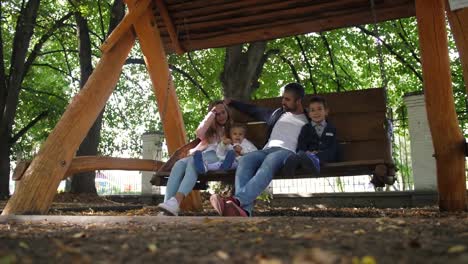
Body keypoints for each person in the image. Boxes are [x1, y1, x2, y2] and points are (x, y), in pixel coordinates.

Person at [210, 82, 308, 217]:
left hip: (287, 152)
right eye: (283, 98)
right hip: (267, 149)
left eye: (287, 99)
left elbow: (321, 135)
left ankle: (237, 200)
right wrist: (233, 102)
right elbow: (254, 110)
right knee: (245, 160)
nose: (283, 102)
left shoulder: (308, 119)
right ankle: (245, 212)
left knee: (270, 160)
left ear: (298, 101)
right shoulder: (278, 114)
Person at [158, 100, 232, 216]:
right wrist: (211, 115)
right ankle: (167, 207)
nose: (221, 116)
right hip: (200, 154)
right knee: (178, 165)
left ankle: (176, 201)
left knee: (194, 162)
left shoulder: (230, 129)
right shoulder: (209, 131)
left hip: (217, 156)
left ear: (227, 112)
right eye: (217, 114)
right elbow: (199, 132)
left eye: (223, 112)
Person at [282, 96, 339, 177]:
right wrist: (307, 153)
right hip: (306, 156)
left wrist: (317, 154)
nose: (316, 112)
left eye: (319, 109)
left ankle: (312, 160)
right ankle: (291, 165)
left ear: (326, 111)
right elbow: (301, 146)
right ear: (309, 114)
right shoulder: (305, 129)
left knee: (326, 154)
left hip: (326, 157)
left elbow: (334, 148)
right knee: (301, 155)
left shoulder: (331, 128)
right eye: (312, 110)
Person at [193, 123, 258, 173]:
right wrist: (223, 144)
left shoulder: (246, 143)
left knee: (233, 160)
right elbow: (219, 153)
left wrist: (242, 151)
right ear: (231, 135)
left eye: (240, 134)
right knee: (218, 163)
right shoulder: (228, 143)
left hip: (240, 163)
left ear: (244, 136)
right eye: (235, 134)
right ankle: (204, 167)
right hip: (224, 162)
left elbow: (256, 153)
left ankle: (227, 163)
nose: (237, 136)